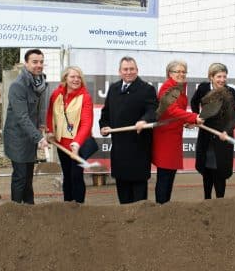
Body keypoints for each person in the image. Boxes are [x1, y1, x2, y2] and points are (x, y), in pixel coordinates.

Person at [100, 57, 158, 204]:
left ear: (137, 70)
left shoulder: (147, 89)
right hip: (119, 147)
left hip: (139, 147)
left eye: (132, 69)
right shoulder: (113, 88)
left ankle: (140, 222)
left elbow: (153, 110)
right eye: (125, 69)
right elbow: (105, 112)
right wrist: (103, 126)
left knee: (139, 194)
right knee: (123, 189)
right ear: (120, 72)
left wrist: (144, 120)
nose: (129, 72)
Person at [152, 60, 204, 204]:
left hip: (173, 137)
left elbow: (174, 114)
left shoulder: (178, 88)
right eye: (178, 71)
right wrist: (194, 117)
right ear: (170, 73)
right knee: (164, 176)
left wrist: (188, 121)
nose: (181, 74)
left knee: (169, 174)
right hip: (165, 138)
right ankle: (161, 207)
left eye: (183, 71)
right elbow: (172, 110)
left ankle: (165, 205)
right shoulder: (167, 88)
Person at [3, 49, 50, 204]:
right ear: (26, 63)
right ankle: (15, 211)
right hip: (17, 138)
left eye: (41, 62)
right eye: (35, 62)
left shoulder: (40, 83)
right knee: (20, 176)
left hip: (30, 137)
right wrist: (39, 138)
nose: (39, 65)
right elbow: (22, 116)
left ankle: (29, 208)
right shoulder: (18, 86)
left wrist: (42, 125)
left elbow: (39, 108)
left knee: (28, 176)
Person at [190, 63, 235, 199]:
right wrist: (197, 117)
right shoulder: (203, 88)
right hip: (206, 135)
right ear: (211, 77)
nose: (222, 80)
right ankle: (207, 201)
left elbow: (234, 118)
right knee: (206, 171)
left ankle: (220, 203)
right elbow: (194, 102)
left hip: (222, 138)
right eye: (219, 76)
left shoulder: (230, 92)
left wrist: (227, 131)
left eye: (224, 76)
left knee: (219, 173)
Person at [46, 66, 94, 203]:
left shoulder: (85, 97)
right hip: (62, 144)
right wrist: (50, 131)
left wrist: (77, 143)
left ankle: (78, 206)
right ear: (65, 78)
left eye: (79, 77)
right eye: (72, 76)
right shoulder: (56, 94)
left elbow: (86, 123)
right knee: (67, 175)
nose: (76, 79)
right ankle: (67, 205)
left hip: (78, 145)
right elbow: (50, 114)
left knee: (76, 175)